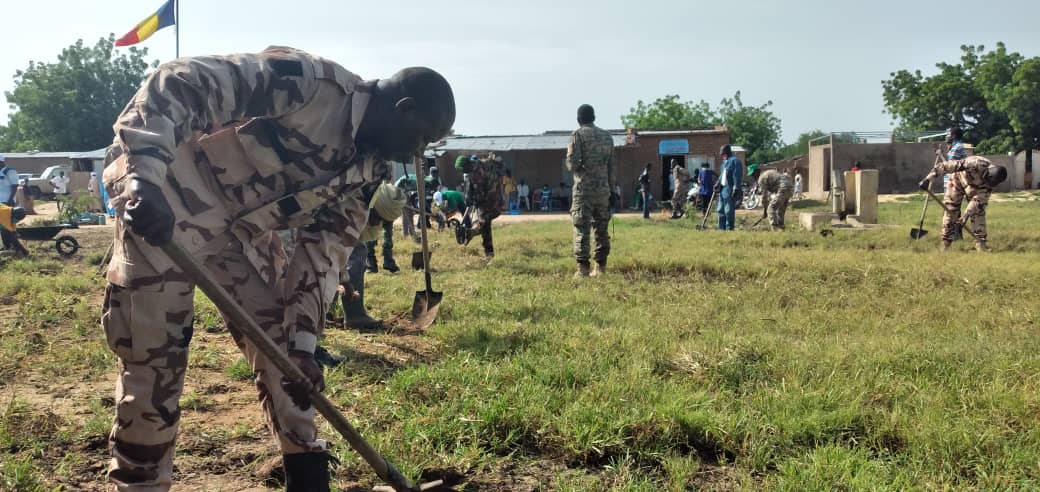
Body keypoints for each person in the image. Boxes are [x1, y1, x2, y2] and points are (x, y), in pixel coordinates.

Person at [99, 47, 454, 491]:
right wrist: (144, 178)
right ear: (405, 109)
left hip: (241, 235)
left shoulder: (368, 171)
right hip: (164, 206)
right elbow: (181, 83)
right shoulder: (309, 84)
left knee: (287, 357)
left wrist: (305, 344)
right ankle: (140, 485)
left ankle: (307, 478)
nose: (419, 152)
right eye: (423, 138)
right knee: (156, 363)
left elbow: (323, 255)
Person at [920, 141, 1007, 252]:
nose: (988, 183)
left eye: (991, 182)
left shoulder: (990, 184)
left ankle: (980, 244)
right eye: (988, 179)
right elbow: (947, 166)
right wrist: (928, 179)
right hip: (958, 180)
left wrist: (965, 216)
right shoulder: (974, 163)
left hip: (974, 188)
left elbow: (977, 201)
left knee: (978, 212)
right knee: (951, 210)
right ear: (987, 172)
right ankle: (945, 244)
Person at [344, 183, 407, 329]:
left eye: (383, 221)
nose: (377, 223)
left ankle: (325, 310)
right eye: (377, 217)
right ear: (371, 206)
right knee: (357, 253)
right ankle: (355, 315)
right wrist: (347, 286)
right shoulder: (351, 205)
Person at [565, 104, 616, 277]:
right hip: (603, 190)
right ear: (594, 117)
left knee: (581, 228)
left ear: (579, 119)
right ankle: (600, 268)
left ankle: (583, 269)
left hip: (583, 190)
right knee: (601, 228)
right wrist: (612, 190)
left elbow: (573, 163)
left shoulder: (577, 135)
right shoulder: (607, 136)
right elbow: (611, 166)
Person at [455, 153, 503, 259]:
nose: (462, 172)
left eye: (462, 169)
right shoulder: (484, 162)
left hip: (489, 203)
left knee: (483, 225)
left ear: (467, 166)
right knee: (485, 226)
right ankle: (489, 253)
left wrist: (472, 200)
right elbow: (498, 163)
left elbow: (473, 197)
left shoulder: (474, 176)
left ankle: (471, 235)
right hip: (497, 199)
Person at [0, 157, 25, 255]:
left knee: (7, 227)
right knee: (3, 227)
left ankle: (17, 249)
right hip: (1, 203)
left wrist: (10, 200)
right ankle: (7, 246)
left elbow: (14, 186)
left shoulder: (10, 171)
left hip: (7, 203)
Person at [717, 145, 742, 231]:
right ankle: (721, 229)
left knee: (728, 211)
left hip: (729, 189)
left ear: (727, 153)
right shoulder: (724, 163)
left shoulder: (735, 161)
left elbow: (737, 175)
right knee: (720, 209)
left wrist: (736, 187)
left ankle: (729, 229)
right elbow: (722, 175)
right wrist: (717, 183)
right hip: (722, 189)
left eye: (723, 154)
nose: (722, 156)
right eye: (721, 155)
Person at [393, 171, 418, 241]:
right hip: (403, 201)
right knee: (405, 217)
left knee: (411, 216)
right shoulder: (399, 187)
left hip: (408, 199)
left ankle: (412, 232)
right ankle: (405, 234)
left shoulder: (409, 186)